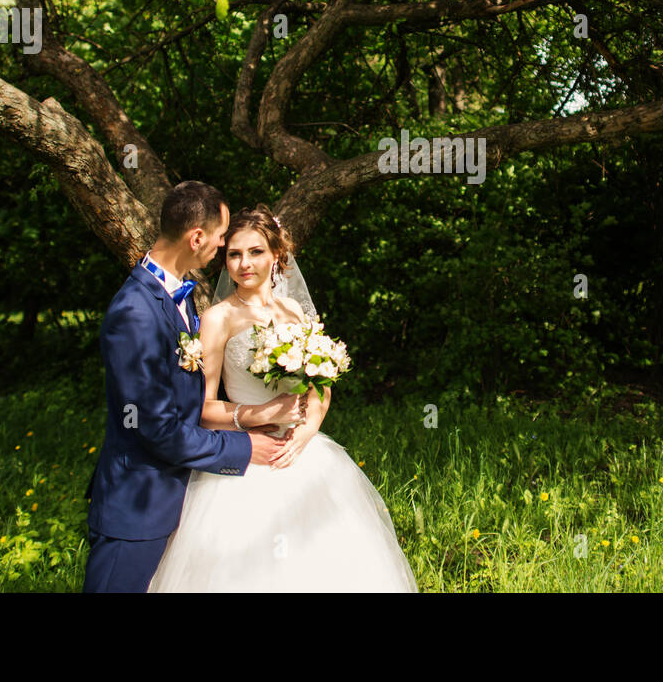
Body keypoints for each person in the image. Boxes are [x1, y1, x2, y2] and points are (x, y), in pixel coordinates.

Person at [148, 204, 418, 592]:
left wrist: (306, 433)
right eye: (234, 253)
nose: (244, 263)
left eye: (255, 252)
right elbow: (202, 410)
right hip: (247, 455)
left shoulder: (292, 309)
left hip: (305, 456)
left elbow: (320, 384)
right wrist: (259, 414)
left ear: (277, 254)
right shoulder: (217, 319)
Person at [83, 182, 291, 592]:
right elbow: (157, 428)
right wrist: (246, 445)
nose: (221, 246)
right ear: (196, 238)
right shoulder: (135, 312)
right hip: (137, 504)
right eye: (220, 238)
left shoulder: (174, 297)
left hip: (175, 492)